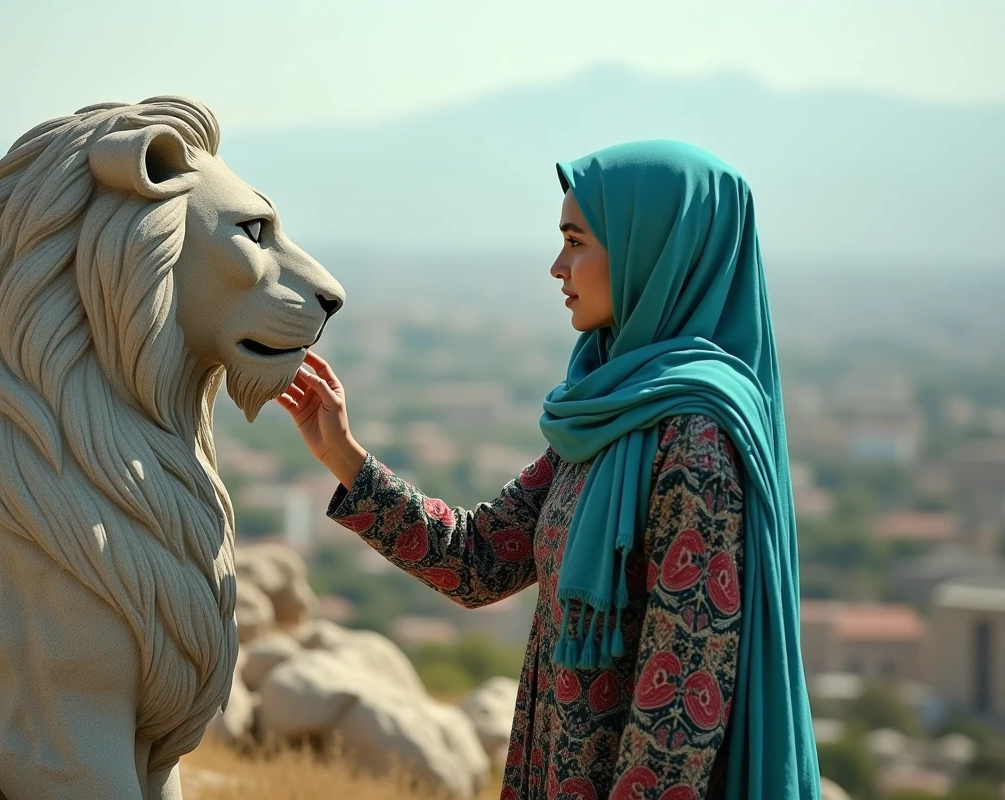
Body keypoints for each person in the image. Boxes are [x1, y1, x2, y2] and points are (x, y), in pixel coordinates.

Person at [277, 140, 820, 799]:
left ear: (655, 251)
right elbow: (479, 561)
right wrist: (342, 453)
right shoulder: (608, 411)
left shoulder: (696, 440)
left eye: (576, 242)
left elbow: (679, 720)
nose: (557, 267)